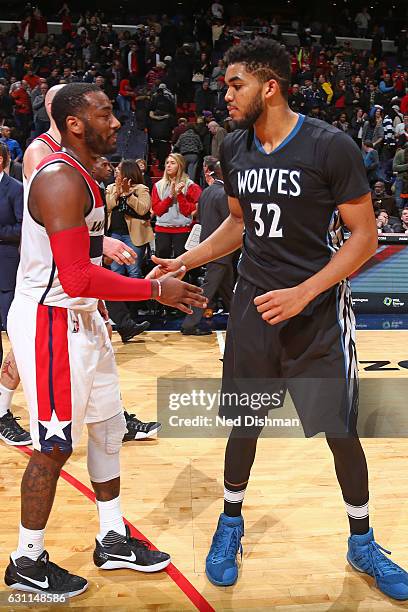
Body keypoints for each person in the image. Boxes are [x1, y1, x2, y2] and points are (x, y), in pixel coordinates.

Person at [149, 38, 408, 600]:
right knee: (244, 423)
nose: (226, 94)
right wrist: (188, 258)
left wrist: (305, 291)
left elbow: (364, 238)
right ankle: (231, 523)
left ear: (270, 86)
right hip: (252, 308)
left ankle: (361, 540)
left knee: (339, 430)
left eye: (235, 83)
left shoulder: (329, 146)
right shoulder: (234, 147)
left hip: (314, 311)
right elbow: (239, 222)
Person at [4, 82, 206, 596]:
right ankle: (26, 560)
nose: (118, 123)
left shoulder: (87, 177)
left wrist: (106, 259)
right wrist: (153, 288)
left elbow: (80, 257)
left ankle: (112, 537)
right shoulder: (57, 179)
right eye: (105, 115)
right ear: (75, 124)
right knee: (52, 445)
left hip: (82, 317)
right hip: (51, 319)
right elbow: (72, 276)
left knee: (109, 428)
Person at [181, 156, 235, 336]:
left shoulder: (206, 192)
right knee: (208, 288)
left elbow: (201, 219)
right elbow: (232, 224)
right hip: (220, 248)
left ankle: (239, 321)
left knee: (226, 287)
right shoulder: (224, 194)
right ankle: (190, 323)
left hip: (207, 246)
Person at [0, 142, 31, 446]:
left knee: (13, 336)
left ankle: (2, 407)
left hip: (7, 267)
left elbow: (22, 228)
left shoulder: (13, 189)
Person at [152, 153, 201, 260]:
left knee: (182, 263)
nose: (168, 165)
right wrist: (170, 196)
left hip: (183, 230)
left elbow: (188, 211)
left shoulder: (191, 186)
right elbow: (157, 210)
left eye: (172, 163)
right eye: (167, 163)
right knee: (162, 263)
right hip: (162, 230)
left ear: (180, 166)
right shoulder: (158, 185)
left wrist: (179, 194)